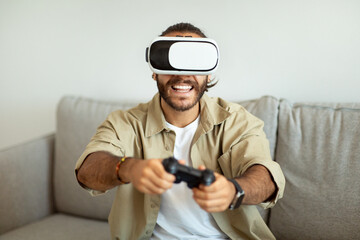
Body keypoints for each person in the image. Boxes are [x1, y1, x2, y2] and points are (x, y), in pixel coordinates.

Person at [75, 22, 285, 240]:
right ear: (155, 71)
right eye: (168, 60)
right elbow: (87, 171)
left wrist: (234, 190)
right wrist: (127, 168)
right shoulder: (125, 123)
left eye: (195, 62)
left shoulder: (237, 121)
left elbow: (265, 178)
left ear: (209, 74)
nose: (182, 74)